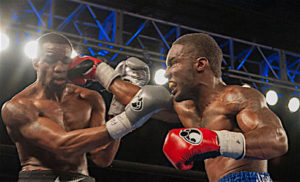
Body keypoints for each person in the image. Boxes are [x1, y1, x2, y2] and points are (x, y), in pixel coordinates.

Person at [68, 33, 289, 182]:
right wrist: (100, 72)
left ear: (200, 64)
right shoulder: (184, 106)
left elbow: (277, 141)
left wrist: (215, 141)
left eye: (173, 63)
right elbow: (142, 99)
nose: (166, 73)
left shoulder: (237, 96)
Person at [1, 32, 171, 182]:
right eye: (51, 58)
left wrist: (118, 107)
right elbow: (62, 145)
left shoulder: (89, 98)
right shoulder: (18, 107)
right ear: (36, 62)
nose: (59, 67)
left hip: (82, 178)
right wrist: (130, 118)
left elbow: (103, 158)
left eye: (65, 60)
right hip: (40, 178)